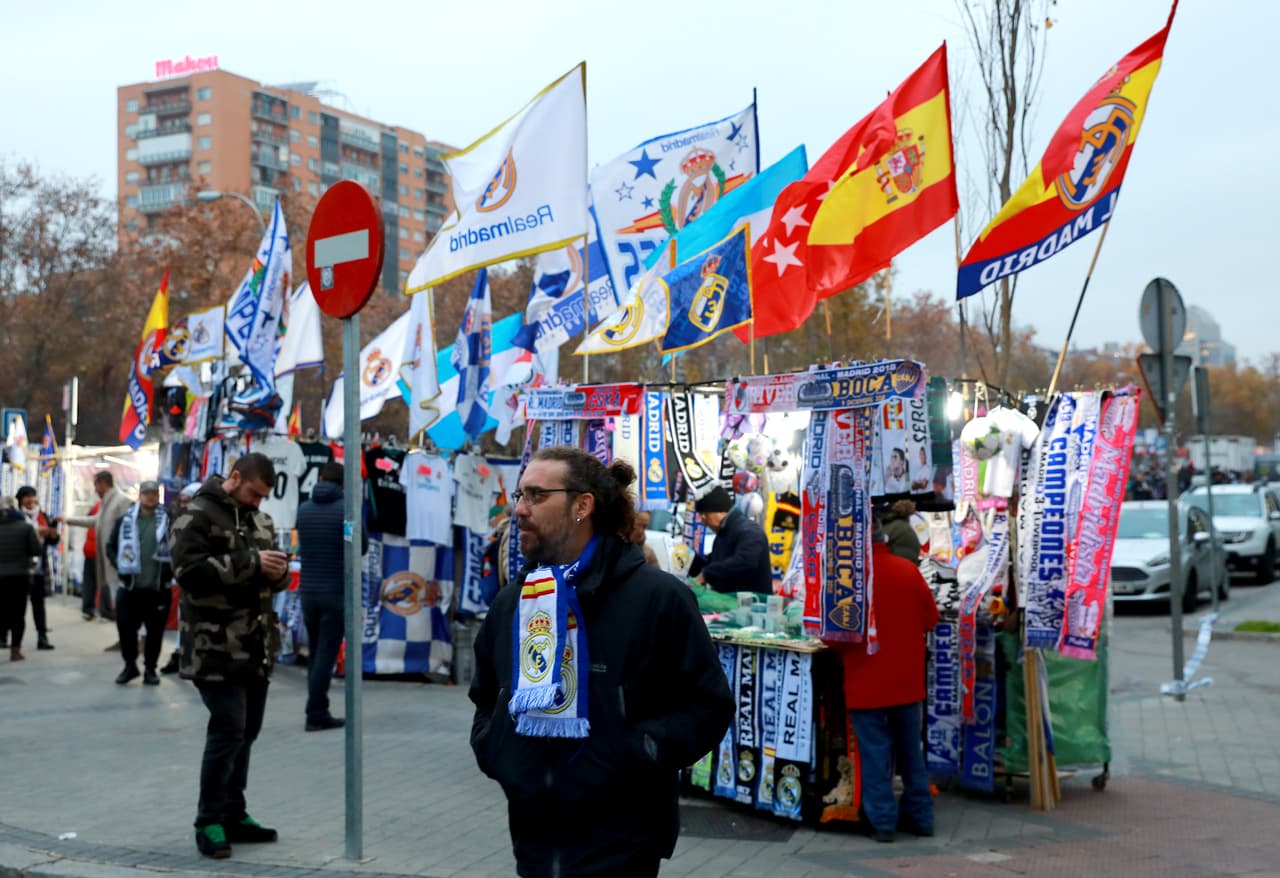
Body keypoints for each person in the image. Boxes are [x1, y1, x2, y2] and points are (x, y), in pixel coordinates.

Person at [469, 447, 733, 878]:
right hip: (534, 845)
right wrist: (498, 751)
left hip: (623, 847)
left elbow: (708, 704)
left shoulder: (657, 598)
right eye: (520, 495)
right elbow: (485, 695)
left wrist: (638, 751)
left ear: (582, 505)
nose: (519, 509)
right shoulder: (514, 602)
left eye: (536, 495)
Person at [170, 453, 290, 859]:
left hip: (256, 646)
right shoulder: (196, 515)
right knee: (228, 729)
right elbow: (188, 573)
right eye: (254, 493)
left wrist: (278, 573)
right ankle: (209, 821)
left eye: (264, 497)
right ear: (235, 478)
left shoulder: (261, 520)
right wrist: (252, 562)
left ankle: (234, 813)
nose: (259, 502)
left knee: (247, 732)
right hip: (213, 648)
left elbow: (271, 576)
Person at [825, 515, 939, 843]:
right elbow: (930, 619)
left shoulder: (848, 580)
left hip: (866, 682)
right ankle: (921, 818)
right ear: (883, 538)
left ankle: (883, 823)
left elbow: (833, 638)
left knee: (875, 755)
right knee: (910, 753)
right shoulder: (908, 571)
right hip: (906, 682)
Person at [295, 462, 367, 732]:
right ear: (342, 484)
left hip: (308, 592)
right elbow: (361, 547)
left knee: (315, 652)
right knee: (325, 655)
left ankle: (316, 706)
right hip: (335, 593)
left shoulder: (303, 509)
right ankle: (316, 713)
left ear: (321, 478)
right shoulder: (345, 512)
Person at [106, 481, 173, 686]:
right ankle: (130, 666)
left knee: (154, 632)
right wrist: (120, 566)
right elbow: (110, 546)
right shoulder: (125, 520)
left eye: (154, 493)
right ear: (139, 496)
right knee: (126, 629)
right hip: (130, 587)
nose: (151, 497)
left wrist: (170, 572)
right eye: (147, 493)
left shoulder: (168, 521)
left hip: (158, 588)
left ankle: (150, 670)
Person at [63, 471, 131, 644]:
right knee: (117, 599)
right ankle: (124, 638)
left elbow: (128, 530)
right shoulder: (107, 503)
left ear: (102, 484)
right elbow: (96, 521)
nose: (95, 490)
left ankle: (129, 639)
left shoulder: (121, 501)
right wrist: (68, 520)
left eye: (96, 486)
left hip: (119, 560)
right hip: (108, 560)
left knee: (122, 601)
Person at [689, 484, 773, 595]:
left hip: (751, 604)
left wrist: (707, 574)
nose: (704, 523)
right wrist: (691, 559)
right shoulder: (724, 532)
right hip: (729, 600)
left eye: (704, 516)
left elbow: (744, 562)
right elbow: (716, 561)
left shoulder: (750, 531)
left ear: (718, 511)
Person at [160, 482, 201, 675]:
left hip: (200, 579)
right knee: (183, 618)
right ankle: (180, 655)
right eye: (182, 500)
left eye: (188, 501)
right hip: (183, 577)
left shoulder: (203, 522)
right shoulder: (176, 519)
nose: (183, 504)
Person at [17, 486, 59, 650]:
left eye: (32, 496)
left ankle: (42, 638)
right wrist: (35, 532)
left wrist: (53, 536)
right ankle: (8, 638)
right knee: (15, 606)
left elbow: (52, 541)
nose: (30, 500)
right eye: (26, 496)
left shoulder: (43, 516)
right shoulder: (16, 516)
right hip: (20, 567)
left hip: (39, 567)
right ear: (20, 499)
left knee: (39, 605)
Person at [0, 497, 41, 661]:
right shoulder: (26, 528)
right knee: (18, 614)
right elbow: (36, 550)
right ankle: (15, 651)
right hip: (20, 576)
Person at [80, 497, 102, 621]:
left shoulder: (95, 506)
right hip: (100, 548)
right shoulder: (107, 507)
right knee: (103, 582)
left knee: (89, 582)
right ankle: (105, 611)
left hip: (89, 547)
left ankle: (87, 610)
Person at [880, 499, 921, 564]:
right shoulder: (901, 525)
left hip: (895, 565)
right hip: (905, 565)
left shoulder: (894, 526)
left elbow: (878, 543)